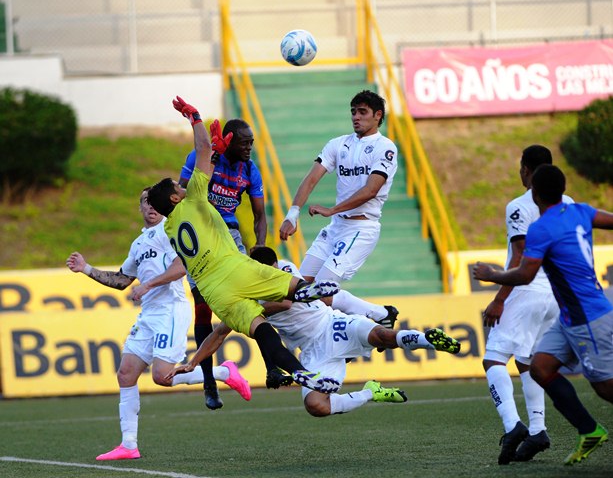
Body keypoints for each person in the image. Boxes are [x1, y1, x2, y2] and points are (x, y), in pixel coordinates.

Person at [146, 96, 342, 395]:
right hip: (233, 267)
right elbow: (201, 149)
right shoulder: (195, 198)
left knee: (263, 333)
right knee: (289, 288)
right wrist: (194, 116)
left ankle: (303, 374)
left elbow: (206, 160)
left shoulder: (170, 228)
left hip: (215, 291)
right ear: (176, 198)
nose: (182, 186)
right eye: (177, 187)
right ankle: (307, 292)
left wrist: (194, 361)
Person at [66, 188, 251, 461]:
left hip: (171, 311)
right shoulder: (138, 244)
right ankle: (129, 445)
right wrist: (87, 268)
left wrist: (149, 284)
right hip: (149, 314)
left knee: (162, 376)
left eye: (154, 201)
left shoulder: (172, 229)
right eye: (144, 201)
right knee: (126, 373)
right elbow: (121, 280)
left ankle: (223, 373)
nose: (150, 206)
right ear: (140, 208)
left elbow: (183, 266)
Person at [166, 246, 461, 417]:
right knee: (316, 406)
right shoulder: (244, 294)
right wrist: (193, 362)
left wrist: (254, 313)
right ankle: (370, 393)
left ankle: (428, 340)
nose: (273, 273)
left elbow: (283, 302)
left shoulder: (285, 271)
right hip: (313, 352)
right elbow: (218, 333)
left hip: (333, 326)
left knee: (381, 337)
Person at [473, 164, 613, 466]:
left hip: (588, 317)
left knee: (605, 387)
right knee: (540, 367)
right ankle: (589, 430)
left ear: (534, 192)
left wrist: (491, 274)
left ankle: (573, 428)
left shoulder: (541, 228)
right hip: (568, 315)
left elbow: (525, 274)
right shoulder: (581, 211)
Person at [481, 145, 574, 465]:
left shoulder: (519, 206)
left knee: (493, 359)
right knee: (526, 362)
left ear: (527, 170)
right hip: (556, 296)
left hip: (528, 291)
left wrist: (498, 299)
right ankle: (537, 429)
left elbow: (520, 259)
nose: (519, 173)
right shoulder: (569, 203)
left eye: (521, 167)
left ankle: (512, 426)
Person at [279, 89, 399, 328]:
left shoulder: (385, 148)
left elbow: (371, 190)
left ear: (377, 116)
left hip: (361, 228)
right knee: (300, 289)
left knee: (320, 293)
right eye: (353, 112)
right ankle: (378, 315)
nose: (356, 117)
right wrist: (293, 214)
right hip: (336, 227)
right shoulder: (338, 144)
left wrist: (332, 210)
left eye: (362, 112)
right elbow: (311, 178)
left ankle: (364, 323)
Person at [178, 119, 272, 410]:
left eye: (252, 142)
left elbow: (259, 216)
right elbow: (179, 195)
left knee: (250, 301)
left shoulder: (250, 170)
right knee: (203, 305)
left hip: (229, 235)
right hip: (200, 232)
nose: (249, 148)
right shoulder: (203, 159)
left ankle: (273, 365)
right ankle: (208, 381)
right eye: (244, 142)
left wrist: (259, 244)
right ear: (228, 141)